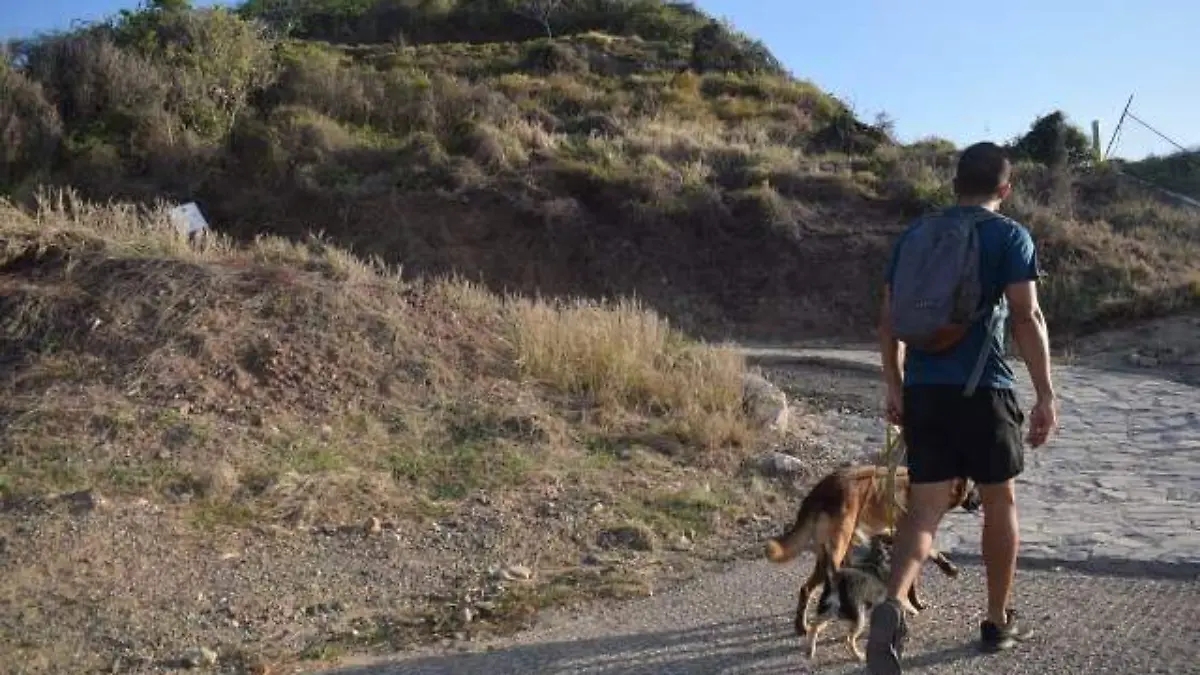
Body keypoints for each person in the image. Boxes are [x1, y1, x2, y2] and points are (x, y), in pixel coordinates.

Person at [865, 141, 1059, 674]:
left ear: (954, 185)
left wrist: (895, 385)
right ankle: (996, 620)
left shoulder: (916, 235)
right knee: (999, 503)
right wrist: (1045, 393)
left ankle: (892, 605)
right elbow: (1027, 316)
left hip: (925, 391)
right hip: (985, 390)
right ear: (1005, 189)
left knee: (924, 508)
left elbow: (889, 320)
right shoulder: (1010, 236)